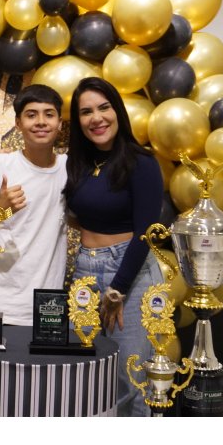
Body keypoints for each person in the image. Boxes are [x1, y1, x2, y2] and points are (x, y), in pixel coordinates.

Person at [64, 76, 164, 417]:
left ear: (117, 111)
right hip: (85, 271)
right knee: (82, 372)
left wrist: (118, 288)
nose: (97, 118)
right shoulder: (78, 163)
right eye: (86, 112)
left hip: (129, 275)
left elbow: (146, 233)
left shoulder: (141, 162)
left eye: (104, 107)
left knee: (130, 380)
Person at [0, 84, 68, 325]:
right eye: (31, 115)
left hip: (48, 305)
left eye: (49, 114)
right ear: (18, 123)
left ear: (60, 123)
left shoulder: (70, 168)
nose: (41, 122)